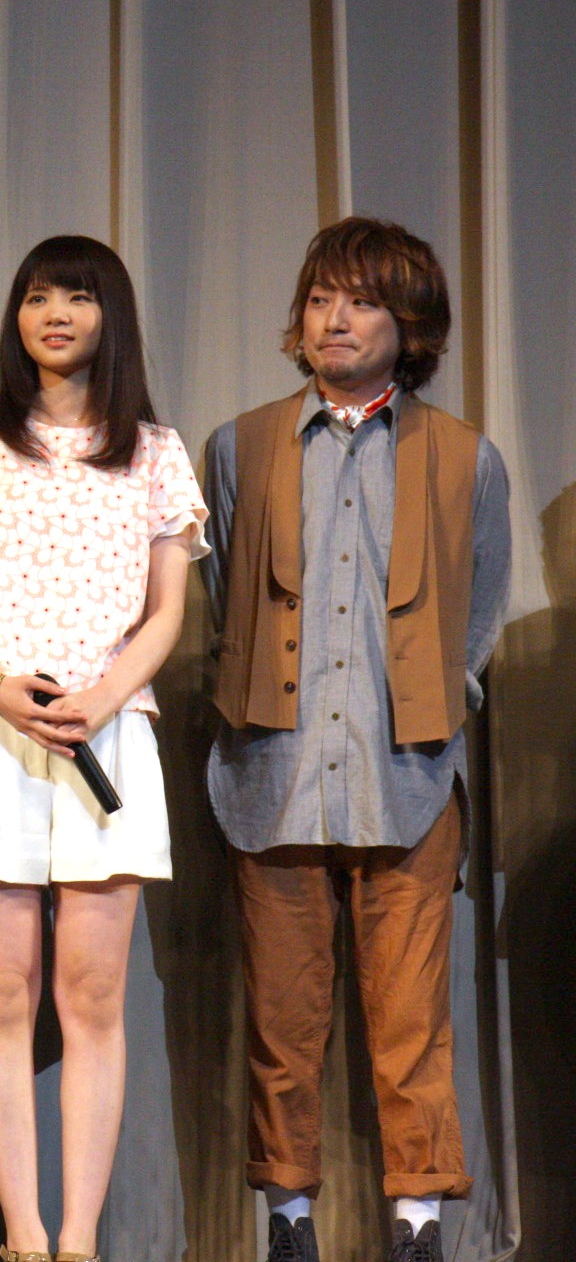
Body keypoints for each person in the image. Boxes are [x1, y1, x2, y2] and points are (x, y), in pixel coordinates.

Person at [201, 216, 510, 1262]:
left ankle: (418, 1229)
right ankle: (288, 1225)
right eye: (321, 298)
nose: (335, 318)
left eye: (363, 300)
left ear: (408, 324)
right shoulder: (238, 446)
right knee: (281, 1026)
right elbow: (221, 598)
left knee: (412, 1022)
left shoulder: (463, 457)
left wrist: (433, 700)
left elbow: (478, 609)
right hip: (273, 776)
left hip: (407, 781)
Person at [0, 235, 207, 1262]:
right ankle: (23, 1240)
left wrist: (102, 698)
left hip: (107, 736)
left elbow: (168, 611)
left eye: (77, 297)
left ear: (109, 315)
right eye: (38, 296)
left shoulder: (156, 451)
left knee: (92, 997)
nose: (56, 314)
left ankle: (79, 1240)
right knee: (1, 993)